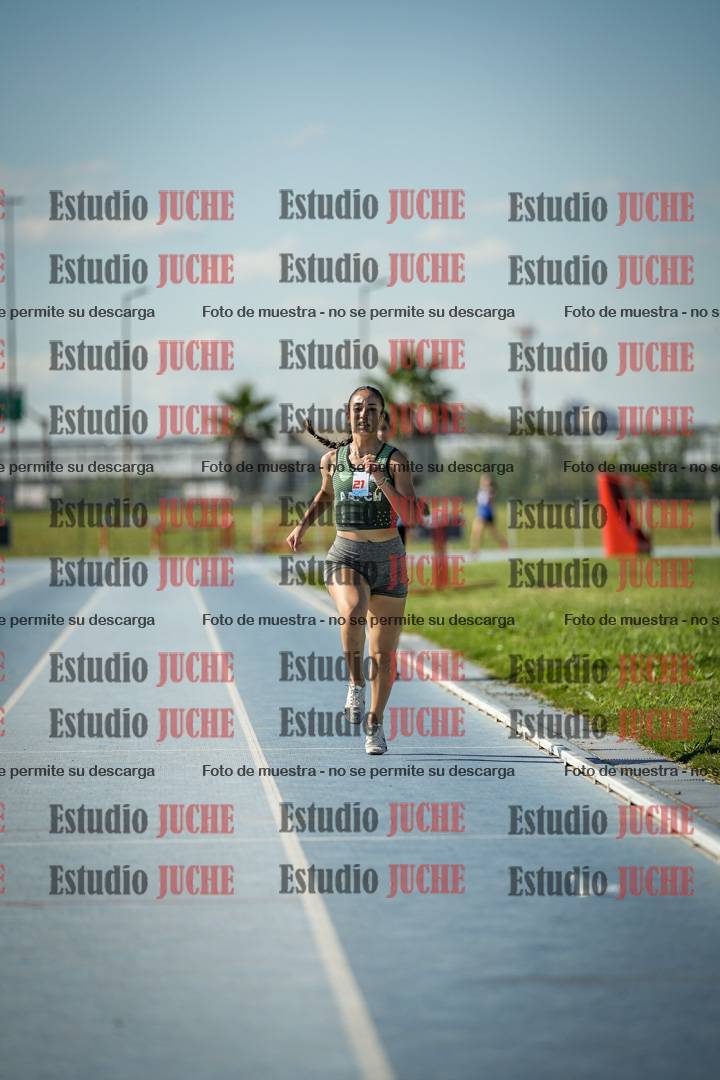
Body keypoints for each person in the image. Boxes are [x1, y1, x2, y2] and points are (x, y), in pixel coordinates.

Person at [286, 386, 418, 754]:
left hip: (389, 559)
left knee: (384, 655)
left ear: (381, 417)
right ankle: (355, 683)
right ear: (348, 414)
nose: (364, 414)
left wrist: (380, 478)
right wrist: (302, 526)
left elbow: (411, 514)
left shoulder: (395, 461)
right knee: (353, 611)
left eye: (372, 408)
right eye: (358, 408)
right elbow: (326, 495)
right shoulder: (332, 460)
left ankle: (375, 724)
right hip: (346, 554)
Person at [469, 476, 508, 554]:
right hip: (480, 514)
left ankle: (504, 543)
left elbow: (490, 502)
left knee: (489, 533)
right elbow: (479, 502)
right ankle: (474, 550)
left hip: (486, 514)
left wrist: (489, 492)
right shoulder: (480, 491)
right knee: (475, 532)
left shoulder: (490, 491)